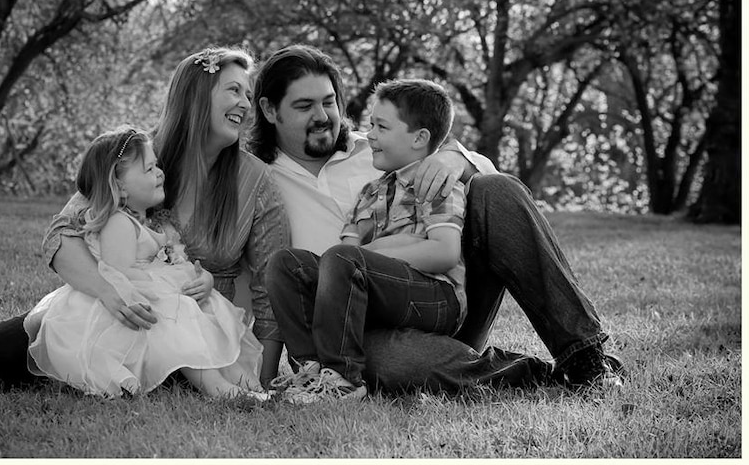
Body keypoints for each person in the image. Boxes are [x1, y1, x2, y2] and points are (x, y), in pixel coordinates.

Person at [0, 47, 290, 389]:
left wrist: (266, 374)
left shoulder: (256, 181)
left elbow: (271, 287)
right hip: (108, 310)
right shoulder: (136, 156)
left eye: (248, 95)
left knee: (172, 374)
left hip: (190, 332)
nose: (245, 103)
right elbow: (62, 233)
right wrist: (108, 292)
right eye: (234, 90)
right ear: (196, 96)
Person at [248, 44, 623, 394]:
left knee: (496, 189)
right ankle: (533, 374)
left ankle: (585, 356)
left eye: (329, 102)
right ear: (269, 110)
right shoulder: (256, 181)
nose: (322, 117)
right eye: (304, 106)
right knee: (393, 363)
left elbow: (484, 184)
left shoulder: (378, 147)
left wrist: (452, 159)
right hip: (354, 335)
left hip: (442, 300)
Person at [24, 126, 266, 400]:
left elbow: (182, 263)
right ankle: (217, 388)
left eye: (156, 166)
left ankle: (247, 383)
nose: (160, 173)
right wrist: (171, 290)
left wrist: (204, 279)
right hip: (127, 310)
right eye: (149, 170)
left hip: (152, 302)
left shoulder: (157, 223)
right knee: (183, 318)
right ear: (120, 186)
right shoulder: (118, 223)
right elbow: (118, 272)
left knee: (207, 315)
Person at [269, 79, 472, 402]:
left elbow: (445, 252)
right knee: (286, 263)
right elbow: (345, 254)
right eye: (370, 125)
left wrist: (379, 252)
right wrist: (352, 262)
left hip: (435, 296)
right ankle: (312, 369)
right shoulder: (369, 193)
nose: (371, 135)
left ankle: (343, 378)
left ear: (420, 138)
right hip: (380, 296)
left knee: (345, 258)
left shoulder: (435, 184)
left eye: (381, 127)